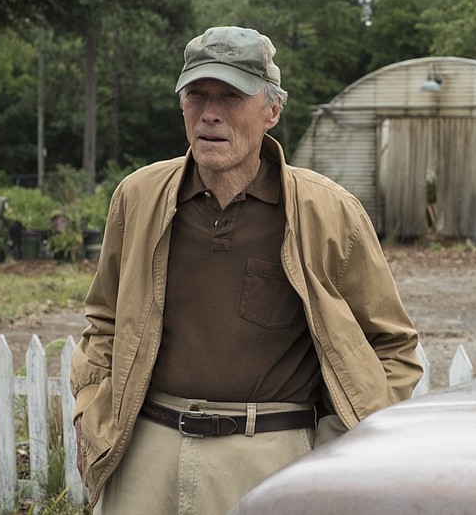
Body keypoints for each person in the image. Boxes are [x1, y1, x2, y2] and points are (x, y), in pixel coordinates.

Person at [70, 25, 422, 514]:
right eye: (197, 95)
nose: (210, 113)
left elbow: (393, 346)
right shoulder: (139, 196)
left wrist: (340, 442)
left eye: (232, 96)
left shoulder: (329, 212)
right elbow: (103, 320)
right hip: (144, 457)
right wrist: (92, 407)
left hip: (272, 457)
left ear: (271, 111)